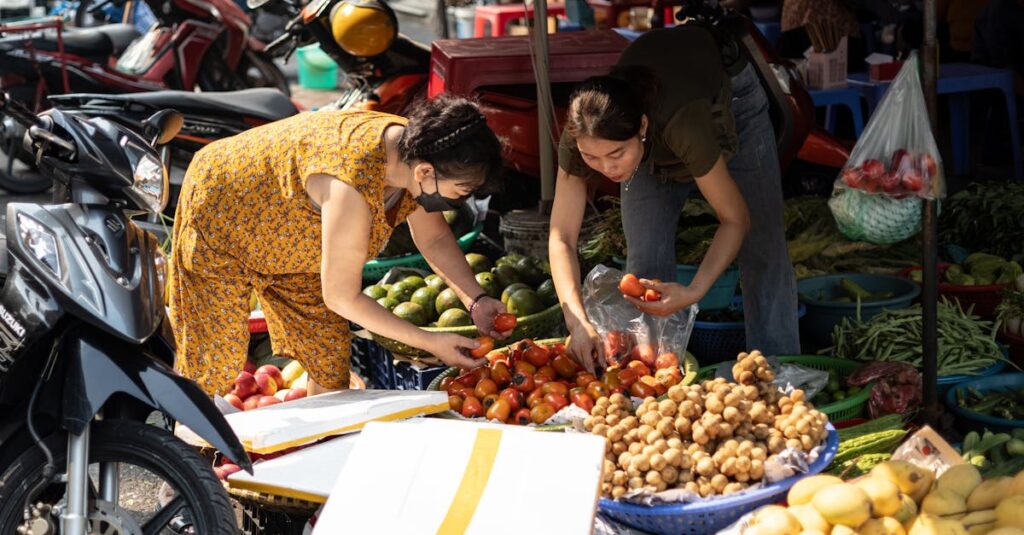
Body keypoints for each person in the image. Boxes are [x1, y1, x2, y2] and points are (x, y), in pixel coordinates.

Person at [169, 96, 509, 396]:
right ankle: (188, 459)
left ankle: (316, 452)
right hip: (222, 214)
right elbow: (341, 296)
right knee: (213, 365)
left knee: (328, 364)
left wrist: (474, 299)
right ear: (424, 172)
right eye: (461, 190)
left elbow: (434, 238)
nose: (460, 200)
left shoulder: (420, 148)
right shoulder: (353, 187)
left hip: (292, 235)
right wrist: (429, 341)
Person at [548, 24, 800, 374]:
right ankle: (652, 374)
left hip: (727, 98)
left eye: (616, 154)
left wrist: (695, 290)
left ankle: (780, 372)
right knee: (645, 262)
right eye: (594, 159)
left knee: (763, 245)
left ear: (643, 129)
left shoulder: (685, 124)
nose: (607, 169)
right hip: (650, 106)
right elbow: (561, 236)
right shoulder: (586, 133)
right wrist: (576, 320)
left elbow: (735, 218)